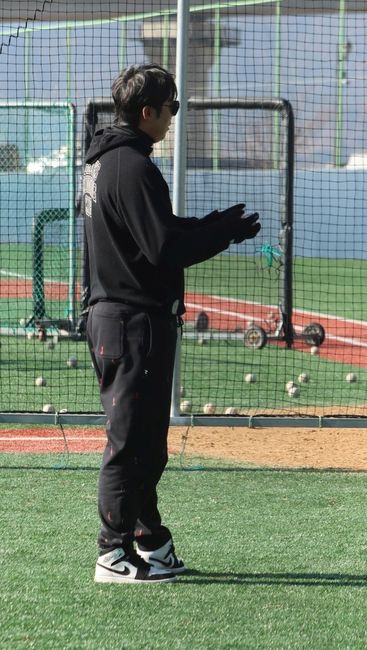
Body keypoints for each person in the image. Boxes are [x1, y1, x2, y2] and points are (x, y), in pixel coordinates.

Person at [84, 64, 261, 584]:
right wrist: (221, 236)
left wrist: (213, 226)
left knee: (145, 442)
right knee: (130, 442)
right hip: (131, 321)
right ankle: (112, 552)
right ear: (148, 113)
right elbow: (162, 249)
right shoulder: (132, 167)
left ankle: (149, 539)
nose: (173, 117)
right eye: (172, 108)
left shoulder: (107, 162)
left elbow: (154, 233)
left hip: (121, 318)